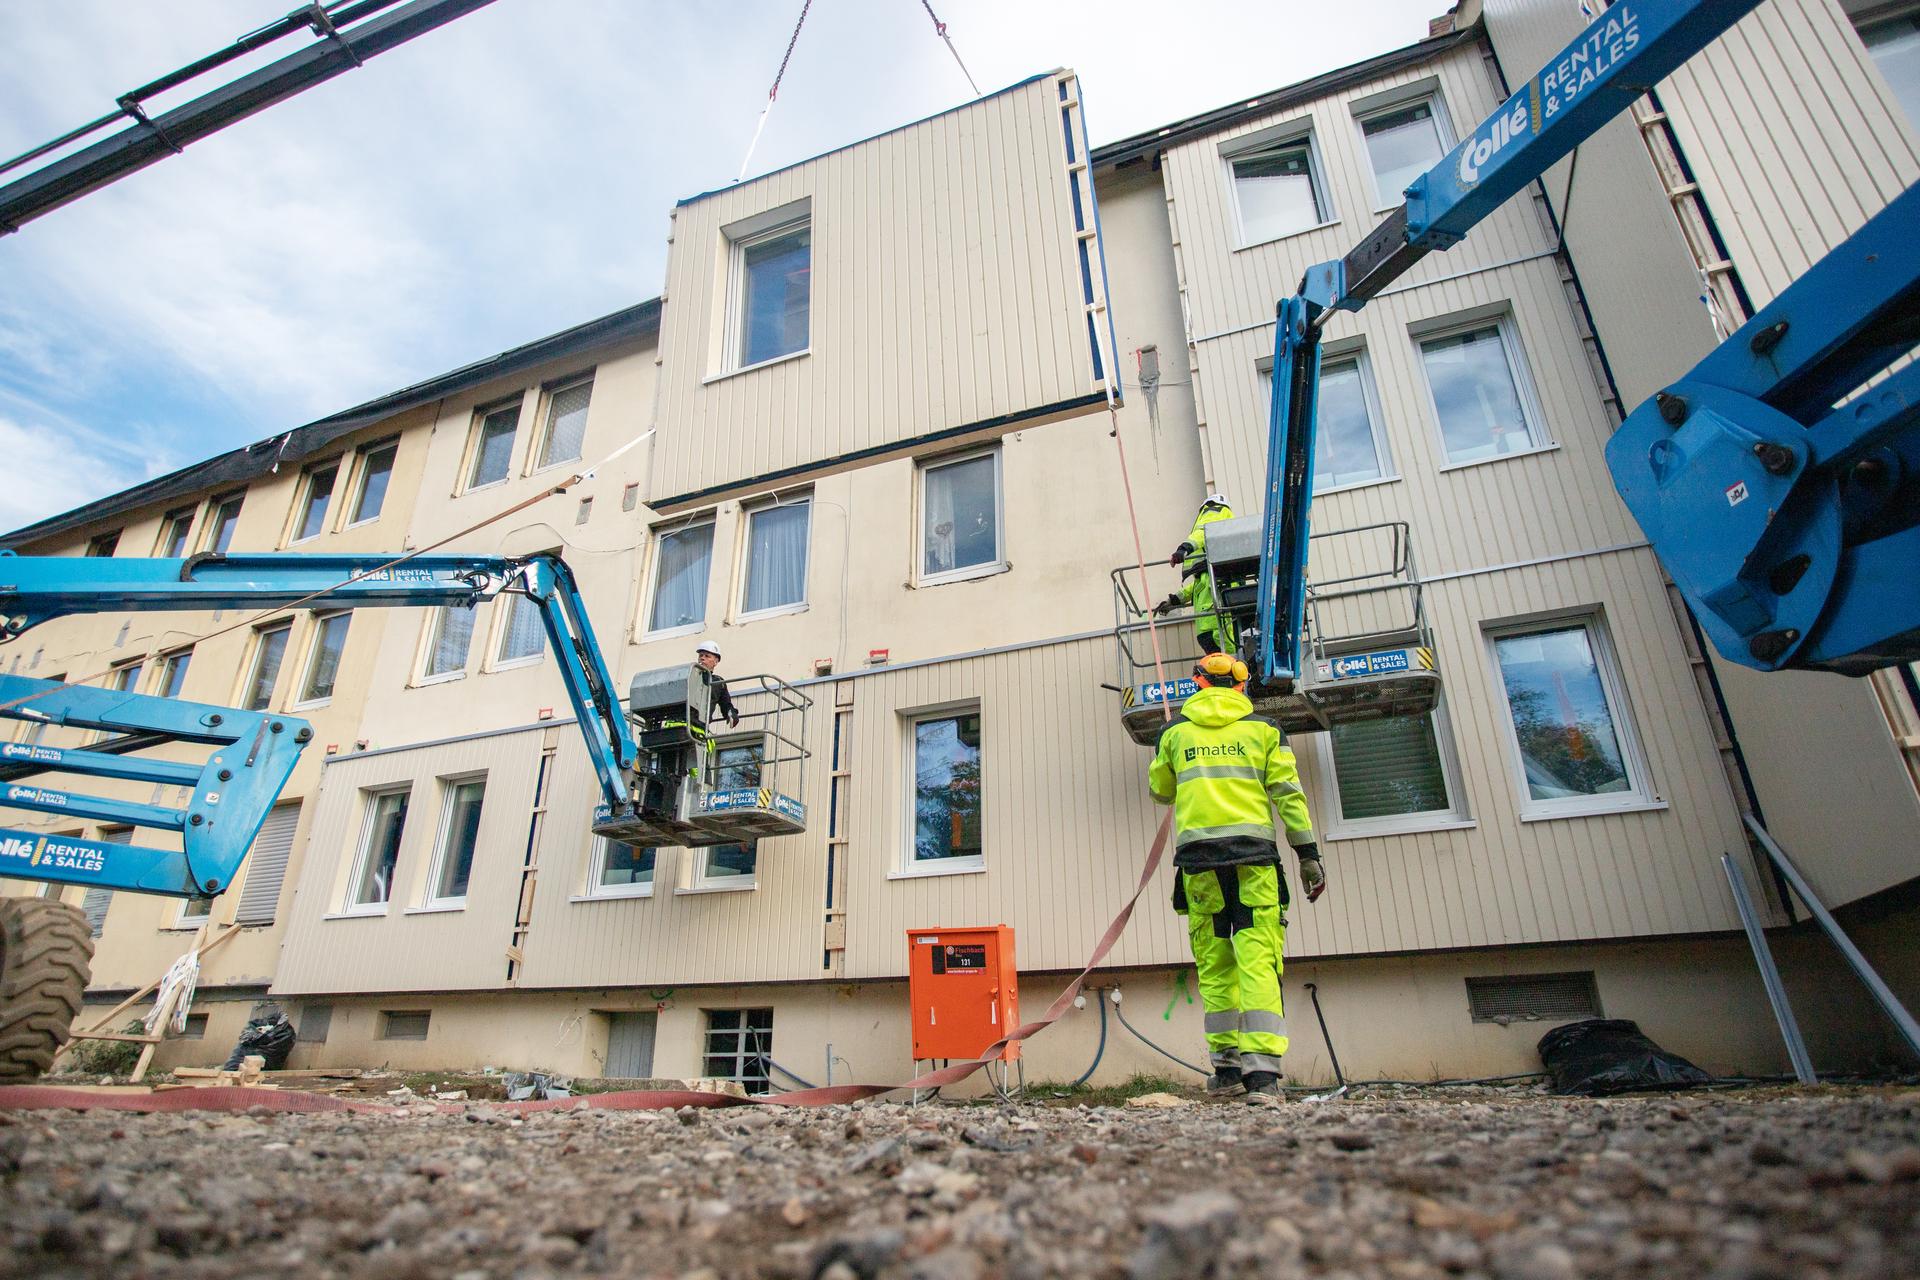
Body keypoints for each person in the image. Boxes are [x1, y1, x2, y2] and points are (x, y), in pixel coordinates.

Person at [1147, 651, 1325, 1105]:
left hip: (1198, 865)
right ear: (1242, 688)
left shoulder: (1174, 732)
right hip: (1254, 862)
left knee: (1215, 965)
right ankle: (1262, 1078)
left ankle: (1226, 1071)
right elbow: (1289, 795)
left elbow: (1160, 791)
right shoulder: (1266, 731)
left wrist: (1176, 751)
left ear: (1197, 683)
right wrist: (1308, 856)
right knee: (1257, 960)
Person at [1153, 494, 1237, 655]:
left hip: (1217, 630)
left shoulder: (1215, 509)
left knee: (1227, 667)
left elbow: (1203, 531)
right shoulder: (1207, 576)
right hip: (1211, 631)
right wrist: (1173, 600)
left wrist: (1184, 549)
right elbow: (1197, 587)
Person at [694, 640, 741, 730]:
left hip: (700, 726)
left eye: (707, 656)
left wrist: (731, 714)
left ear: (716, 661)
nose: (702, 658)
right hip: (681, 724)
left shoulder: (718, 682)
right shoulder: (690, 675)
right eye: (701, 655)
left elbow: (726, 704)